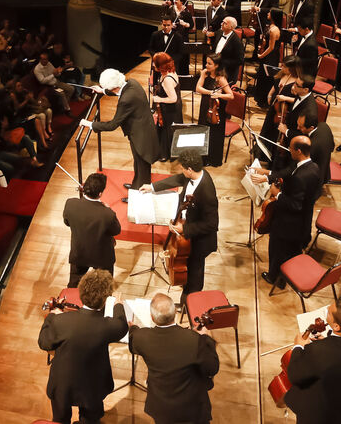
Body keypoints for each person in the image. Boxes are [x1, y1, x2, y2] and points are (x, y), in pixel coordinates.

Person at [38, 269, 128, 424]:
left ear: (80, 293)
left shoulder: (61, 321)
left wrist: (52, 316)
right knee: (90, 420)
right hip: (92, 386)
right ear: (105, 300)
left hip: (62, 384)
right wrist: (118, 304)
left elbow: (44, 342)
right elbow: (122, 324)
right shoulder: (109, 326)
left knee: (59, 419)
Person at [127, 293, 219, 424]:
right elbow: (212, 368)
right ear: (175, 312)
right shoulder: (195, 340)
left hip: (162, 408)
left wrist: (134, 328)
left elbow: (133, 340)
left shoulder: (142, 337)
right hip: (192, 409)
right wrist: (206, 338)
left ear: (152, 318)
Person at [282, 300, 341, 424]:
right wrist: (327, 342)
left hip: (319, 413)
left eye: (328, 312)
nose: (326, 311)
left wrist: (298, 346)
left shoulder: (319, 351)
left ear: (337, 326)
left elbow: (295, 376)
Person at [143, 151, 218, 303]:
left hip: (199, 241)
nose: (181, 171)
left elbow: (212, 224)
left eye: (183, 168)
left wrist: (185, 229)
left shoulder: (207, 193)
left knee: (195, 273)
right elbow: (177, 179)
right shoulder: (193, 175)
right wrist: (152, 187)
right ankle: (186, 288)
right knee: (186, 267)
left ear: (190, 169)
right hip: (186, 225)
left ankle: (190, 302)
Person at [254, 135, 320, 288]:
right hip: (303, 221)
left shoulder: (301, 177)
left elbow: (295, 204)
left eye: (290, 148)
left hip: (289, 223)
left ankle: (274, 277)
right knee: (291, 250)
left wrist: (277, 194)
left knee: (277, 249)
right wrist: (267, 174)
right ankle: (289, 274)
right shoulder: (313, 167)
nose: (288, 150)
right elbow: (289, 172)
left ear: (298, 151)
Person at [82, 68, 162, 190]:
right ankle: (137, 185)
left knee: (142, 165)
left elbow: (112, 125)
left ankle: (139, 192)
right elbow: (119, 91)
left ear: (113, 87)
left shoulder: (126, 100)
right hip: (142, 129)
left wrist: (89, 124)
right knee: (139, 163)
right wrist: (102, 91)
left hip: (141, 135)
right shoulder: (132, 83)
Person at [62, 173, 121, 287]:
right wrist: (108, 209)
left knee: (74, 284)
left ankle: (70, 299)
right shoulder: (107, 214)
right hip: (102, 256)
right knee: (104, 285)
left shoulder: (70, 204)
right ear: (100, 193)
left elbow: (67, 222)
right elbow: (116, 231)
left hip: (79, 253)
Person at [195, 54, 233, 167]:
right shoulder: (205, 74)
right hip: (205, 107)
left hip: (215, 110)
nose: (206, 65)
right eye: (206, 62)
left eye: (209, 63)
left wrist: (218, 96)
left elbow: (231, 96)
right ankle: (203, 158)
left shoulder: (221, 79)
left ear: (216, 66)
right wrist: (210, 92)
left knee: (213, 135)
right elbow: (198, 88)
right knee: (203, 131)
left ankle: (213, 159)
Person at [151, 52, 182, 160]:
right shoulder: (169, 72)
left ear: (161, 65)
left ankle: (166, 154)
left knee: (167, 130)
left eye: (155, 63)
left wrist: (158, 99)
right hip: (172, 109)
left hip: (170, 109)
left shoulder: (168, 79)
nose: (153, 65)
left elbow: (173, 98)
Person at [212, 16, 245, 84]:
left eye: (225, 23)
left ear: (231, 27)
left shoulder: (237, 42)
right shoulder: (219, 32)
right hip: (216, 70)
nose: (221, 24)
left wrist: (222, 62)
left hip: (228, 73)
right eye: (222, 22)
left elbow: (240, 61)